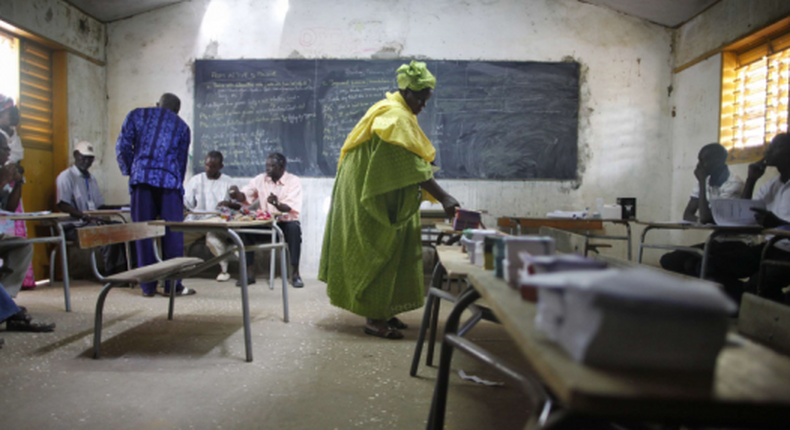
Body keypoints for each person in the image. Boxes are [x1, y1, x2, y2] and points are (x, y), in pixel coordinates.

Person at [319, 61, 460, 339]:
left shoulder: (392, 110)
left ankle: (383, 309)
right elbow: (409, 166)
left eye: (426, 100)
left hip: (372, 190)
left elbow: (406, 162)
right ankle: (374, 319)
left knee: (394, 249)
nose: (423, 105)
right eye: (420, 98)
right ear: (406, 91)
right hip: (368, 197)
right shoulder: (395, 117)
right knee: (379, 248)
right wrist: (444, 197)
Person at [116, 93, 195, 297]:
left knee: (143, 232)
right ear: (177, 111)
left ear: (158, 104)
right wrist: (178, 187)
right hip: (169, 183)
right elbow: (181, 161)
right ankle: (172, 285)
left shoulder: (137, 115)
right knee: (173, 234)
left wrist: (130, 170)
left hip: (142, 181)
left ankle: (147, 286)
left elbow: (123, 146)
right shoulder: (182, 126)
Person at [705, 133, 790, 303]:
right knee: (710, 264)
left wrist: (778, 224)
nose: (768, 150)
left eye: (776, 147)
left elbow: (776, 224)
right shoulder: (771, 185)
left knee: (755, 286)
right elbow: (744, 215)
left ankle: (772, 307)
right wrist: (751, 180)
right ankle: (744, 302)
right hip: (771, 248)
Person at [660, 143, 743, 276]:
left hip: (737, 243)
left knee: (695, 265)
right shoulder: (704, 180)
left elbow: (706, 218)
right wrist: (704, 219)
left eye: (703, 160)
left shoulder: (734, 183)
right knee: (669, 260)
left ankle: (728, 292)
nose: (699, 165)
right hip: (717, 241)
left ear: (718, 161)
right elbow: (688, 214)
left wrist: (702, 183)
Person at [226, 152, 304, 288]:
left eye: (272, 166)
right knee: (244, 229)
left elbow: (288, 208)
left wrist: (276, 203)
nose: (268, 169)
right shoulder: (260, 179)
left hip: (284, 224)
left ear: (281, 167)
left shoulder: (293, 181)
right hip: (267, 224)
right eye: (267, 165)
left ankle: (295, 273)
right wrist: (236, 193)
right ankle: (249, 273)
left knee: (294, 228)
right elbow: (245, 196)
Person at [56, 141, 128, 275]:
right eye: (83, 157)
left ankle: (122, 270)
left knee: (121, 228)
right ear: (75, 155)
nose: (86, 161)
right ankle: (111, 274)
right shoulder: (66, 177)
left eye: (90, 158)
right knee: (105, 233)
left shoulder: (91, 179)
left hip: (91, 222)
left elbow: (100, 206)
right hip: (74, 226)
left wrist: (122, 206)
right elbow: (62, 204)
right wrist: (84, 216)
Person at [0, 95, 35, 290]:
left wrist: (17, 182)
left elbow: (10, 209)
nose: (8, 153)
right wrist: (5, 179)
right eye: (4, 149)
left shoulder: (4, 175)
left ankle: (5, 302)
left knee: (22, 244)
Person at [183, 151, 235, 282]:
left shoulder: (228, 182)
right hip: (197, 221)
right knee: (176, 237)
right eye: (207, 165)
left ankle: (224, 270)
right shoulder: (195, 180)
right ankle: (180, 266)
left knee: (212, 240)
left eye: (212, 166)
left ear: (220, 166)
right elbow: (187, 203)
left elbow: (236, 206)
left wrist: (228, 204)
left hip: (216, 223)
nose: (208, 169)